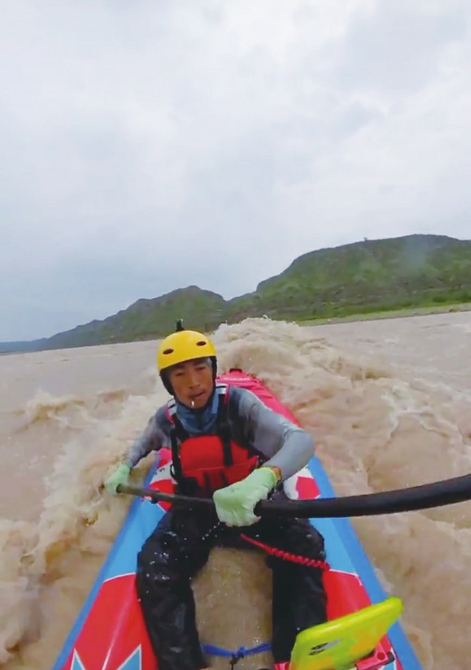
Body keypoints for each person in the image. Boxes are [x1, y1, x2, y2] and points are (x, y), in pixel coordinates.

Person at [105, 323, 328, 670]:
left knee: (305, 545)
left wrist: (263, 479)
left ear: (213, 369)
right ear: (168, 382)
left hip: (254, 502)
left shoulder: (241, 406)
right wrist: (124, 467)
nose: (194, 381)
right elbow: (142, 445)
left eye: (200, 368)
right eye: (180, 374)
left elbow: (300, 441)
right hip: (199, 509)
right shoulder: (166, 420)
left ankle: (295, 654)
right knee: (155, 565)